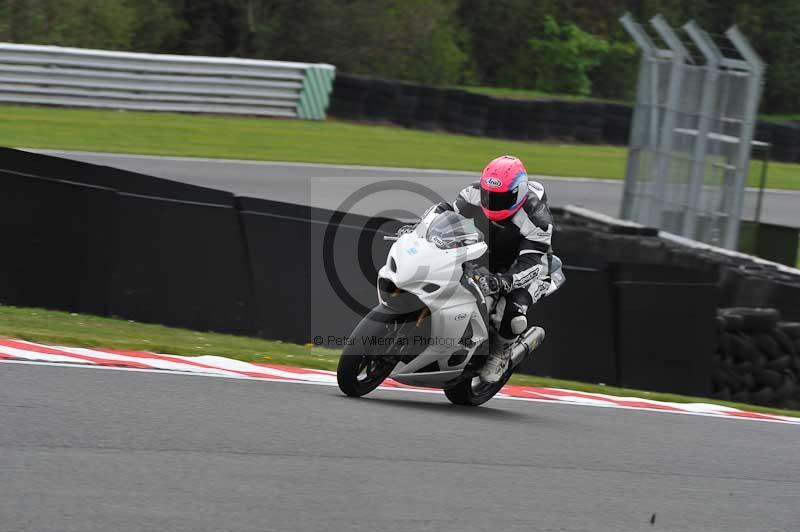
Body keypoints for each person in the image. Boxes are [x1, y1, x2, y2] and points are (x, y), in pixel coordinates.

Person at [453, 155, 556, 383]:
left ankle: (501, 353)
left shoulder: (536, 219)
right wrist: (421, 230)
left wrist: (504, 281)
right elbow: (446, 217)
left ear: (518, 193)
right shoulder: (472, 194)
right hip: (488, 255)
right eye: (488, 195)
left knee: (509, 314)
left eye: (501, 198)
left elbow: (531, 263)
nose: (492, 202)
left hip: (529, 267)